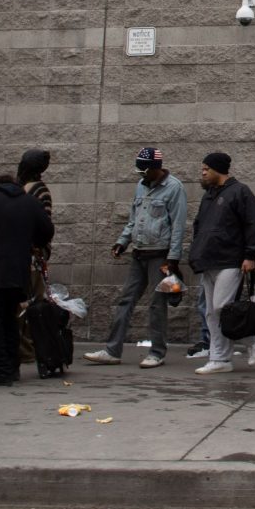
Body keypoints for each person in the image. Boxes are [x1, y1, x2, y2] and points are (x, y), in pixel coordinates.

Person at [84, 147, 188, 369]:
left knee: (156, 304)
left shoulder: (174, 188)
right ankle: (112, 350)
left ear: (156, 169)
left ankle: (157, 352)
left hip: (159, 255)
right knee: (126, 300)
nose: (141, 176)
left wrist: (173, 259)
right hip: (139, 252)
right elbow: (134, 218)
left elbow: (178, 226)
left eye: (145, 171)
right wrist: (122, 241)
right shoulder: (140, 186)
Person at [0, 172, 54, 388]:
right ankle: (12, 367)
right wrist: (30, 243)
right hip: (18, 272)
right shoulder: (30, 202)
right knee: (10, 319)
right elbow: (47, 231)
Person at [188, 151, 255, 376]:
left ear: (218, 169)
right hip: (208, 261)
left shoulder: (240, 192)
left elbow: (254, 224)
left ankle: (252, 336)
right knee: (211, 312)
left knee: (223, 308)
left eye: (206, 169)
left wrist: (250, 255)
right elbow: (199, 226)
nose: (202, 173)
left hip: (231, 260)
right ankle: (220, 358)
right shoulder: (209, 195)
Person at [15, 149, 52, 364]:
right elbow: (45, 224)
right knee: (30, 302)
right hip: (31, 254)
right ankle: (26, 347)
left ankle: (24, 347)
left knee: (24, 302)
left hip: (23, 253)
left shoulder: (20, 188)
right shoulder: (38, 190)